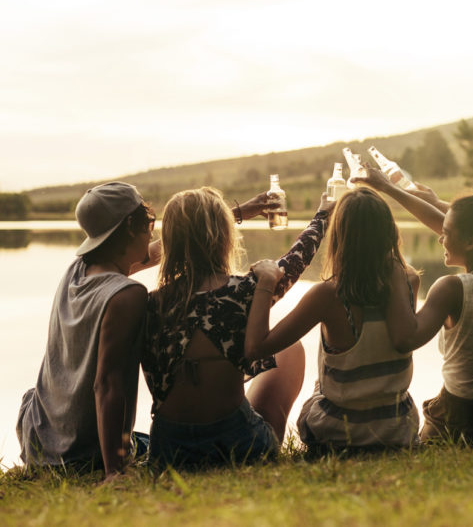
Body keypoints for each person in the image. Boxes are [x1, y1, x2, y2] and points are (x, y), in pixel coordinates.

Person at [141, 186, 328, 468]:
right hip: (239, 445)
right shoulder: (245, 291)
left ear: (168, 243)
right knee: (289, 348)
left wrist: (236, 213)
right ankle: (270, 443)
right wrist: (324, 213)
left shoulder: (147, 304)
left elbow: (123, 265)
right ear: (225, 236)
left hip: (168, 450)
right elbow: (300, 256)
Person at [358, 171, 473, 444]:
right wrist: (390, 189)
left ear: (470, 241)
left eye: (446, 234)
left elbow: (404, 339)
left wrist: (398, 274)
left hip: (462, 420)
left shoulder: (451, 289)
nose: (440, 238)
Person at [244, 187, 421, 452]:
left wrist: (265, 285)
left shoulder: (328, 295)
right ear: (389, 232)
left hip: (339, 434)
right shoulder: (409, 282)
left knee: (308, 375)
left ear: (340, 238)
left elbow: (257, 348)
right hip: (396, 428)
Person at [17, 182, 160, 478]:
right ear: (131, 228)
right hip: (78, 456)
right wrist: (114, 473)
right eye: (149, 222)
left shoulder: (79, 269)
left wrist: (234, 215)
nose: (152, 230)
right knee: (160, 444)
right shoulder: (127, 295)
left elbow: (157, 252)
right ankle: (112, 463)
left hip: (39, 437)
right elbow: (107, 384)